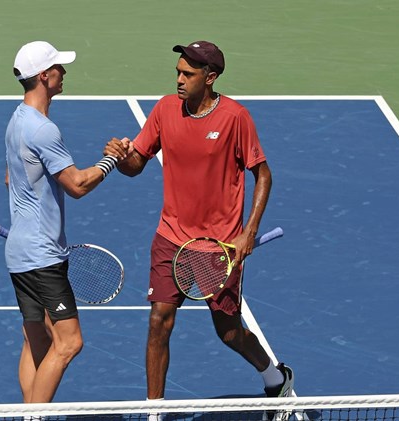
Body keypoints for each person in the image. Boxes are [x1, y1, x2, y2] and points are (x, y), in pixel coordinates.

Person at [111, 40, 294, 407]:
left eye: (188, 74)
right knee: (158, 321)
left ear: (209, 78)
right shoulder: (165, 109)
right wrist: (121, 157)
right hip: (171, 236)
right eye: (178, 71)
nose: (179, 79)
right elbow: (137, 165)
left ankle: (276, 377)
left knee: (228, 333)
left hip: (218, 246)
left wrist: (247, 234)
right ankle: (154, 411)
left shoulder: (234, 118)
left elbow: (264, 175)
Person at [3, 40, 125, 404]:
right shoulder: (43, 130)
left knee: (36, 341)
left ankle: (26, 412)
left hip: (19, 252)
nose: (64, 72)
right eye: (58, 67)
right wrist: (111, 160)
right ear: (45, 76)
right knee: (69, 343)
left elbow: (11, 178)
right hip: (42, 256)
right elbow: (77, 185)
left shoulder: (16, 121)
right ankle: (34, 417)